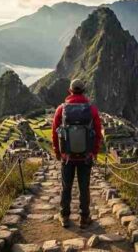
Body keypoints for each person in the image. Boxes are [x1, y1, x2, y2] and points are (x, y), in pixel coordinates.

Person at [52, 79, 102, 229]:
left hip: (67, 157)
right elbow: (98, 133)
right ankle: (84, 218)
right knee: (84, 187)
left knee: (66, 186)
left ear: (70, 91)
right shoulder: (92, 110)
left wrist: (58, 152)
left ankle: (65, 217)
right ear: (84, 91)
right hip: (85, 157)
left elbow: (55, 133)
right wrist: (94, 152)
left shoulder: (61, 109)